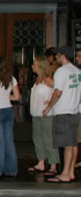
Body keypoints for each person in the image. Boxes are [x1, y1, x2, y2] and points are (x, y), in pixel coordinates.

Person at [42, 45, 81, 183]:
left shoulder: (61, 72)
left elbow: (58, 92)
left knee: (67, 144)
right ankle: (70, 172)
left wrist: (48, 108)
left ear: (63, 55)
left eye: (58, 55)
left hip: (64, 112)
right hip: (74, 111)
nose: (56, 57)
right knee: (73, 143)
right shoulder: (77, 71)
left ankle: (64, 173)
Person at [28, 55, 58, 175]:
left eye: (34, 64)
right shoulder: (38, 79)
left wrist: (50, 102)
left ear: (40, 66)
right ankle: (41, 162)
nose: (32, 66)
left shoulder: (48, 79)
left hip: (46, 114)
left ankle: (53, 165)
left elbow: (60, 91)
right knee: (38, 139)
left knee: (48, 139)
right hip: (36, 114)